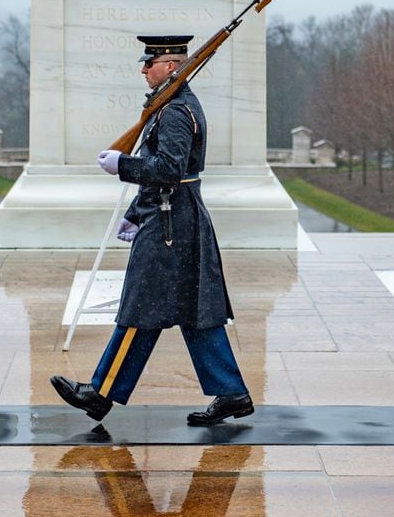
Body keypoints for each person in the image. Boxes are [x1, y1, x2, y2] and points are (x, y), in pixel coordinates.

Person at [50, 35, 253, 427]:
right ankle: (231, 393)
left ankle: (101, 392)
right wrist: (135, 211)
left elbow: (169, 169)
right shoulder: (170, 106)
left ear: (173, 66)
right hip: (172, 217)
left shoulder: (176, 111)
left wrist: (123, 165)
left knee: (142, 307)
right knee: (192, 309)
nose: (143, 69)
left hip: (170, 225)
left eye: (151, 63)